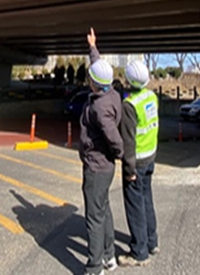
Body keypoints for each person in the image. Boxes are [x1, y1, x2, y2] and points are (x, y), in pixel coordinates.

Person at [80, 28, 124, 275]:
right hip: (105, 167)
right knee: (103, 209)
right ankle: (109, 256)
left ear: (94, 83)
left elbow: (113, 137)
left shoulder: (99, 109)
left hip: (96, 166)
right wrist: (93, 48)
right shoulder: (112, 94)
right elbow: (99, 70)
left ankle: (95, 267)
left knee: (94, 217)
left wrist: (120, 152)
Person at [118, 60, 159, 267]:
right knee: (147, 200)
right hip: (150, 157)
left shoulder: (129, 105)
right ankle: (152, 241)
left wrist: (129, 169)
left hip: (137, 162)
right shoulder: (151, 96)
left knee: (135, 206)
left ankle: (139, 252)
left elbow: (128, 142)